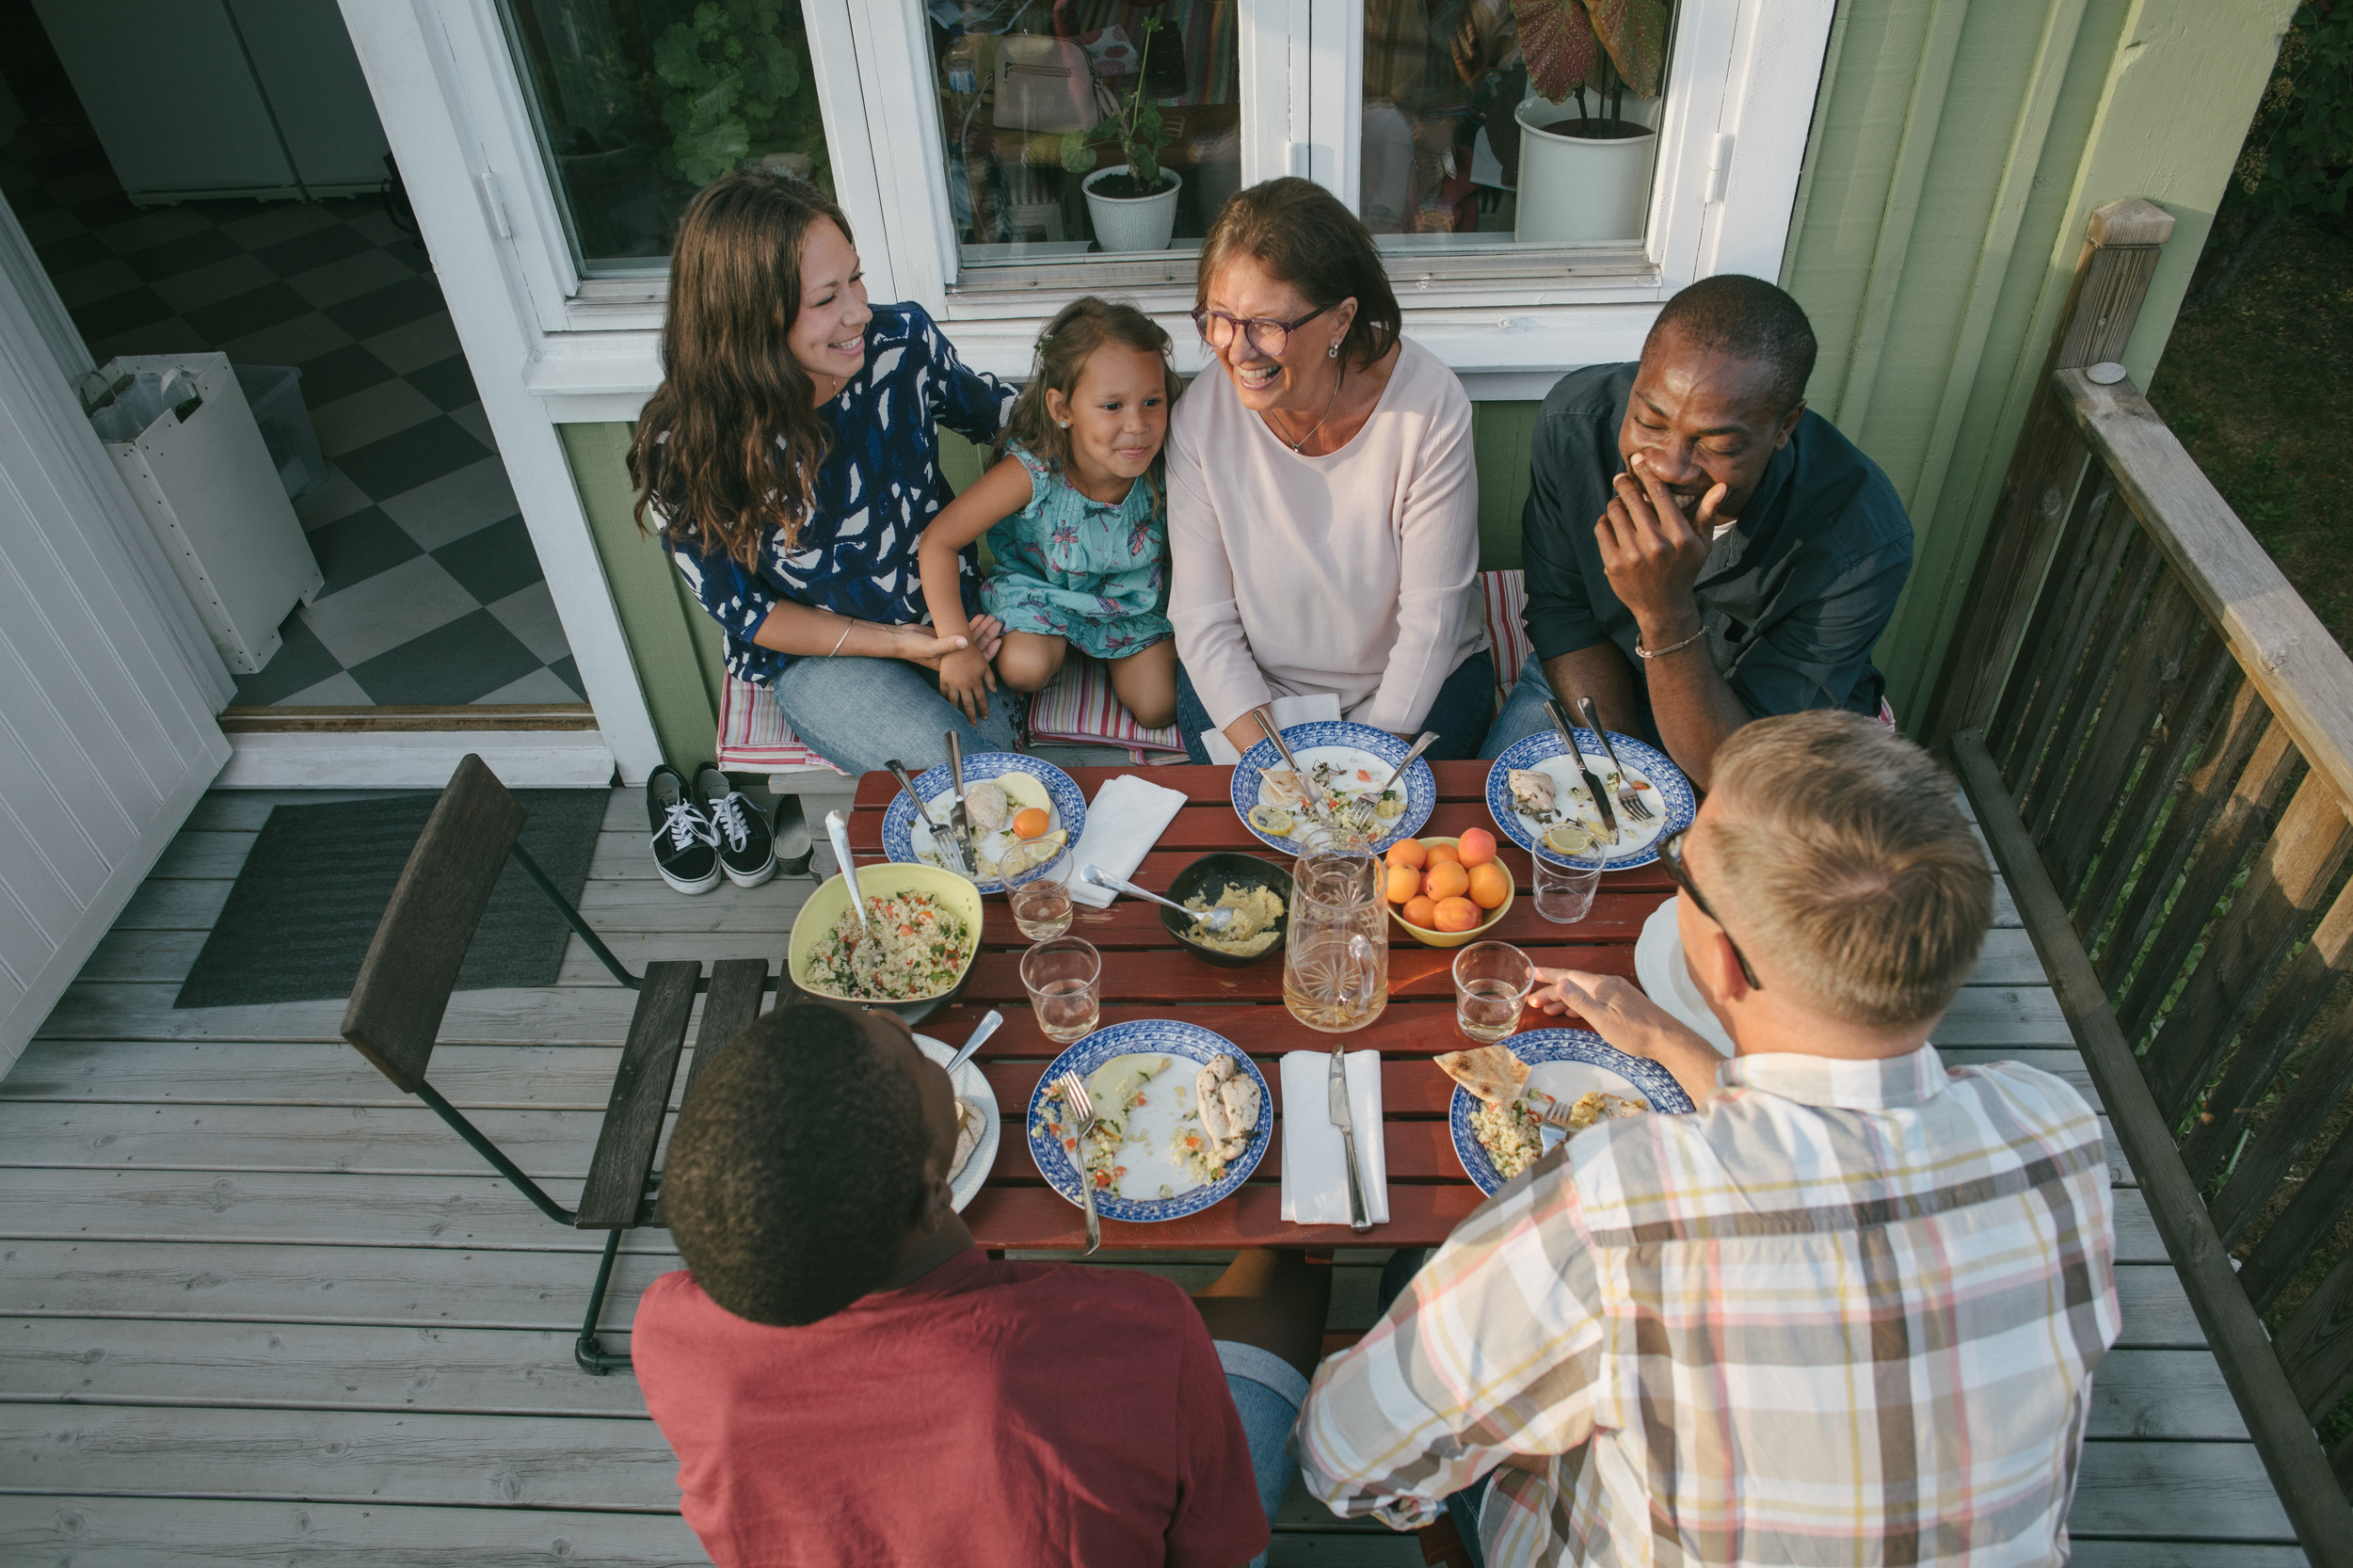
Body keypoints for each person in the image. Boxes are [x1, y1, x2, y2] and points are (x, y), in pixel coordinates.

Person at [1296, 711, 2119, 1568]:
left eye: (1680, 867)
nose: (1673, 871)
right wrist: (1666, 1042)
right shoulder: (2058, 1132)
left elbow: (1344, 1463)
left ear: (1720, 960)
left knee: (1413, 1279)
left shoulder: (1619, 1205)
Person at [633, 998, 1332, 1568]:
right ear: (938, 1191)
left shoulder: (668, 1334)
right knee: (1292, 1273)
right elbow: (1217, 1549)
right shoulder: (1143, 1330)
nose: (887, 1015)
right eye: (908, 1057)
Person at [629, 171, 1021, 776]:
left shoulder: (901, 344)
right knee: (962, 779)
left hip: (948, 619)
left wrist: (1130, 412)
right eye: (825, 298)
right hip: (824, 654)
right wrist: (895, 643)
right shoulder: (685, 447)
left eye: (856, 278)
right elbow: (749, 613)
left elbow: (1000, 415)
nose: (859, 311)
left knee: (995, 764)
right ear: (745, 319)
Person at [1482, 274, 1913, 788]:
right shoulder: (1577, 423)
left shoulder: (1859, 540)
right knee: (1490, 840)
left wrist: (1665, 612)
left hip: (1747, 727)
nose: (1669, 468)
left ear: (1785, 427)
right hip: (1600, 678)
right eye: (1650, 422)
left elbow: (1743, 768)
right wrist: (1630, 775)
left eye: (1718, 446)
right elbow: (1564, 612)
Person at [1167, 178, 1490, 764]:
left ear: (1341, 320)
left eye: (1267, 325)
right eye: (1219, 318)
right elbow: (1203, 620)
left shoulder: (1429, 407)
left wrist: (1363, 775)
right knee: (1260, 833)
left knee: (1386, 841)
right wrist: (1278, 769)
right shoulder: (1199, 421)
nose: (1237, 351)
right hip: (1258, 692)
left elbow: (1431, 625)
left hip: (1415, 689)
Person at [917, 296, 1181, 731]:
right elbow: (939, 540)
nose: (1138, 425)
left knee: (1158, 706)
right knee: (1025, 669)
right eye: (1112, 406)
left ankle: (1096, 651)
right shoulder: (1034, 471)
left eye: (1152, 401)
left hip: (1129, 604)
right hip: (1041, 594)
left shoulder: (1167, 464)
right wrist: (956, 645)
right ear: (1062, 410)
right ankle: (1057, 647)